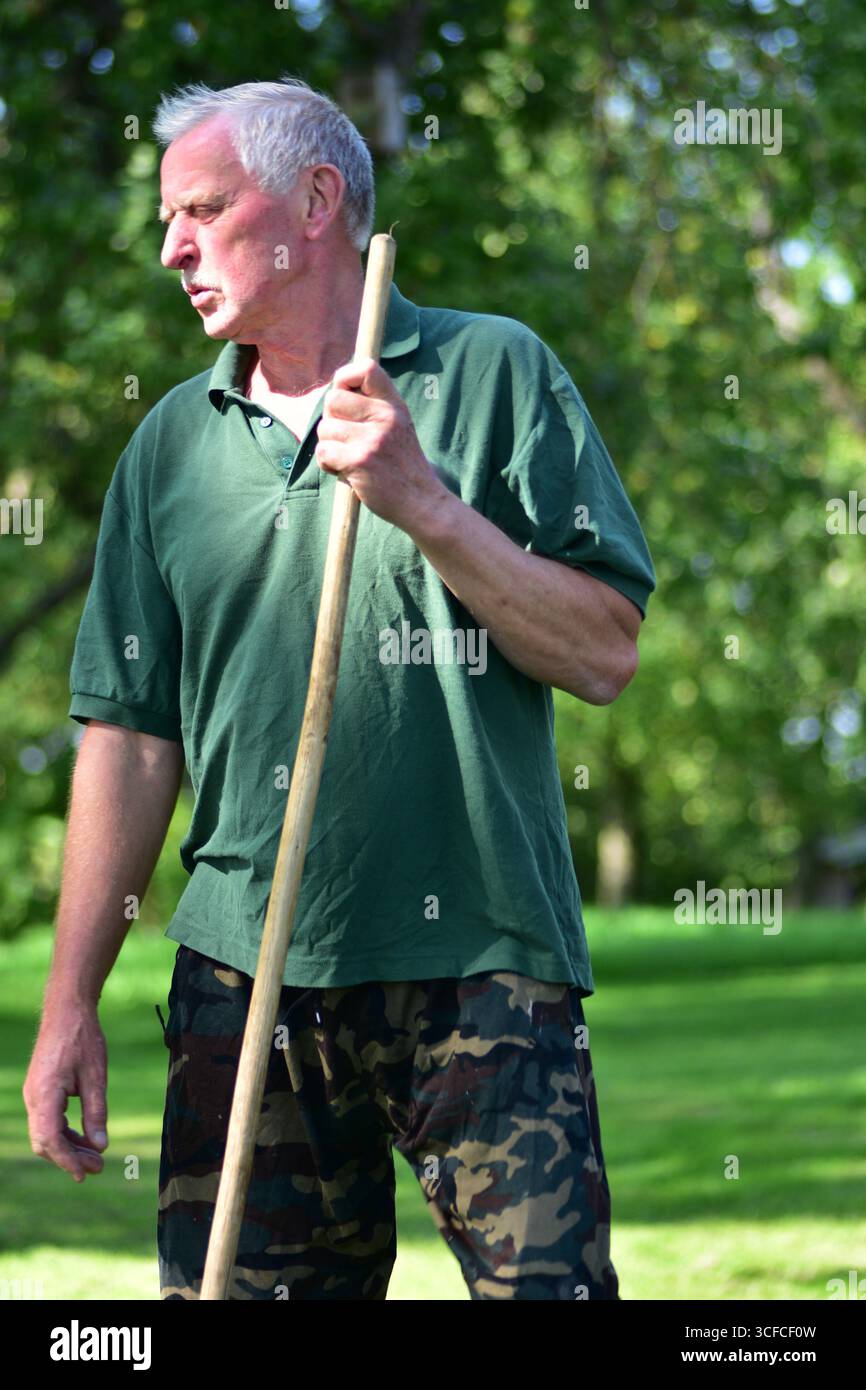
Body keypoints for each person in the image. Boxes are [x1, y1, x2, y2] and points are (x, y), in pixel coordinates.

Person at [23, 77, 655, 1300]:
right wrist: (70, 1005)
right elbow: (129, 737)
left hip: (484, 962)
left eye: (201, 210)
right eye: (169, 220)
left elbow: (602, 651)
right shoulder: (169, 444)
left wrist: (422, 503)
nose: (171, 249)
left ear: (314, 202)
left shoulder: (491, 372)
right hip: (242, 971)